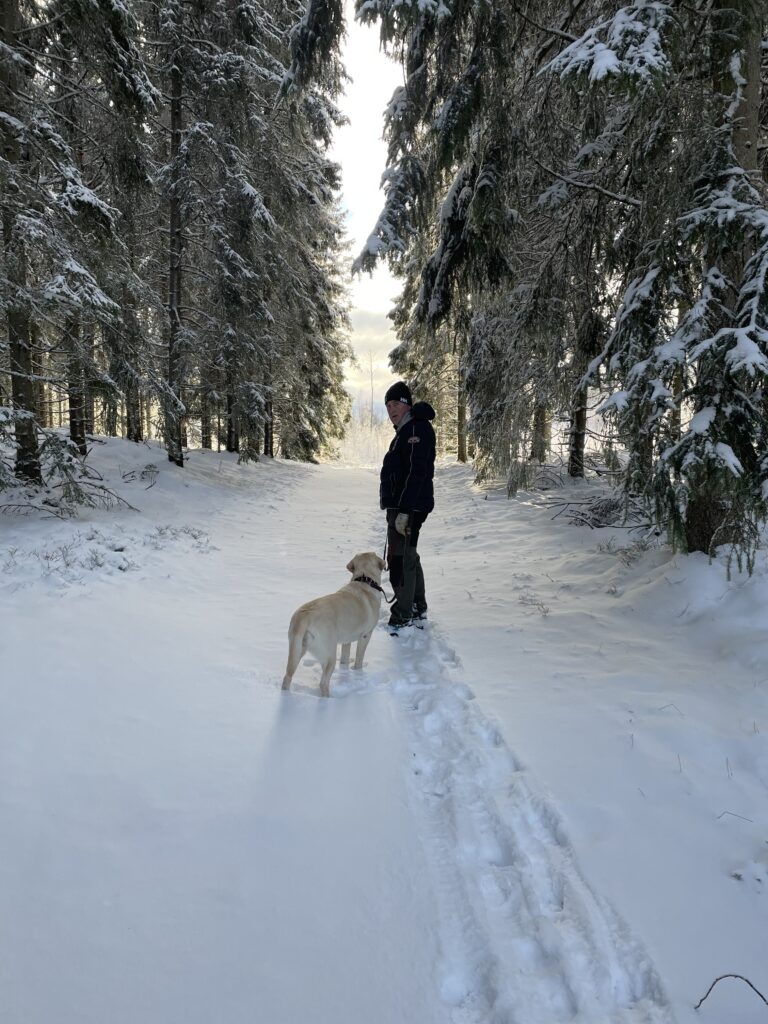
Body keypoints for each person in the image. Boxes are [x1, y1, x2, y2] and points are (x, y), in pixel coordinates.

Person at [379, 381, 436, 631]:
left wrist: (403, 511)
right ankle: (416, 606)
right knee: (409, 555)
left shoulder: (415, 429)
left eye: (396, 404)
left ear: (407, 405)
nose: (391, 409)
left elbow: (416, 473)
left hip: (409, 507)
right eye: (388, 406)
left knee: (400, 559)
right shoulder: (405, 430)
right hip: (404, 506)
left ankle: (403, 615)